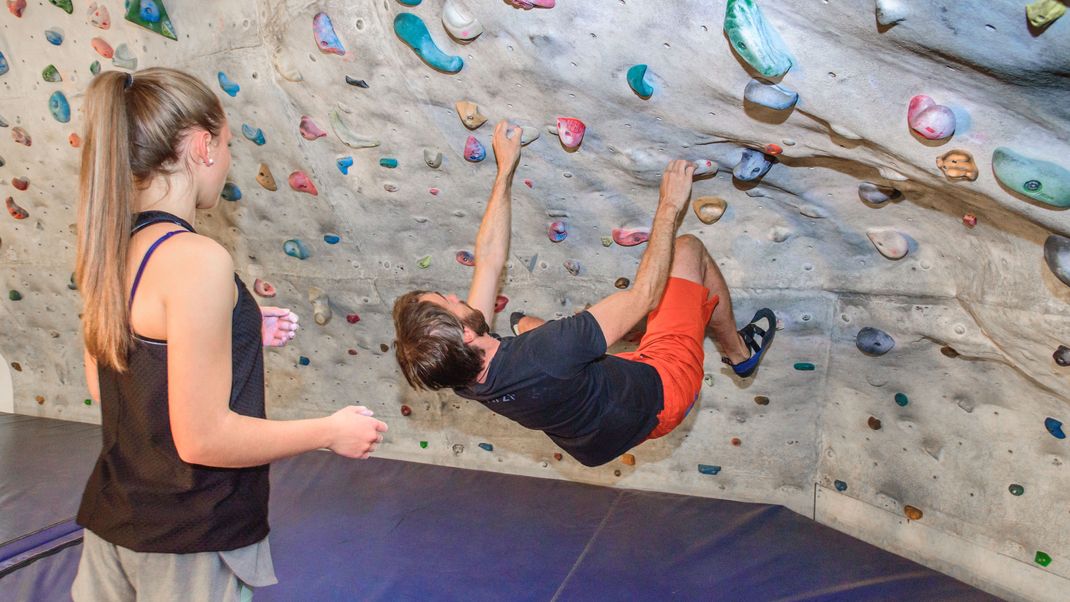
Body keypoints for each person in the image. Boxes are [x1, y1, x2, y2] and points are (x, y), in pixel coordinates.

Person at [72, 68, 388, 601]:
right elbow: (203, 438)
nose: (228, 160)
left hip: (114, 522)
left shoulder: (109, 247)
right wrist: (328, 431)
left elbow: (111, 383)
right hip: (189, 536)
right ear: (202, 147)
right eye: (227, 144)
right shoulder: (197, 259)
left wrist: (232, 332)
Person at [393, 120, 776, 467]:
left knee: (525, 323)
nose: (459, 298)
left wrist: (505, 170)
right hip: (663, 393)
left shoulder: (457, 370)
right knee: (689, 250)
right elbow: (646, 294)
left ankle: (624, 333)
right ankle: (739, 353)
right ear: (466, 334)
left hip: (597, 436)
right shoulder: (551, 349)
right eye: (452, 303)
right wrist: (670, 205)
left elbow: (489, 259)